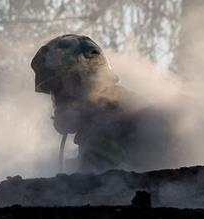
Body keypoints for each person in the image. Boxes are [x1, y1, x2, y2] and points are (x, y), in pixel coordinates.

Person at [30, 33, 179, 174]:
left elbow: (95, 181)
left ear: (80, 82)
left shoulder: (109, 123)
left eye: (58, 89)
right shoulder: (119, 108)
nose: (57, 101)